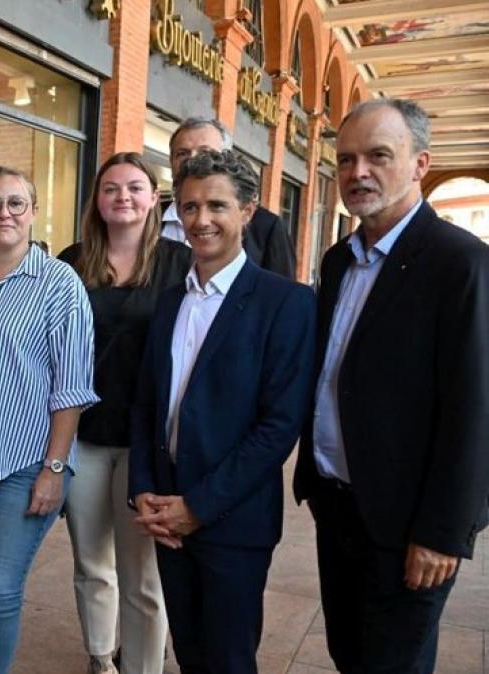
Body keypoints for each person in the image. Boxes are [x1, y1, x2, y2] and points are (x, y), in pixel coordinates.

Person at [292, 98, 489, 672]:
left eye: (379, 156)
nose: (358, 173)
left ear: (419, 163)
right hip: (340, 510)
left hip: (410, 528)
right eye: (347, 159)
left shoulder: (461, 263)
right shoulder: (337, 261)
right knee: (349, 655)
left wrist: (443, 533)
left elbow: (475, 409)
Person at [129, 150, 315, 673]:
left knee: (230, 661)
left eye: (217, 205)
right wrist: (143, 487)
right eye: (189, 207)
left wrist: (200, 506)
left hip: (233, 518)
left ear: (248, 210)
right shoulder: (169, 300)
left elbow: (279, 427)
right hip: (165, 509)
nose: (201, 220)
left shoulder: (287, 303)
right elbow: (148, 403)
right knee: (189, 654)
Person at [0, 165, 97, 674]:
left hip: (28, 459)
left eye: (16, 203)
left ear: (34, 212)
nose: (4, 213)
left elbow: (72, 387)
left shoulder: (60, 284)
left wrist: (54, 470)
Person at [57, 152, 191, 674]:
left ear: (152, 197)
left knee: (143, 572)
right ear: (97, 200)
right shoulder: (72, 261)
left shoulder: (178, 262)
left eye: (135, 188)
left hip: (148, 440)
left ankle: (143, 666)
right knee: (92, 561)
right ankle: (100, 658)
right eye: (111, 188)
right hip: (85, 434)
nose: (123, 198)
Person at [160, 117, 296, 278]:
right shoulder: (149, 217)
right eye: (182, 153)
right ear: (171, 161)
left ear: (227, 158)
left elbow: (280, 293)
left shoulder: (266, 227)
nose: (193, 160)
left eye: (205, 152)